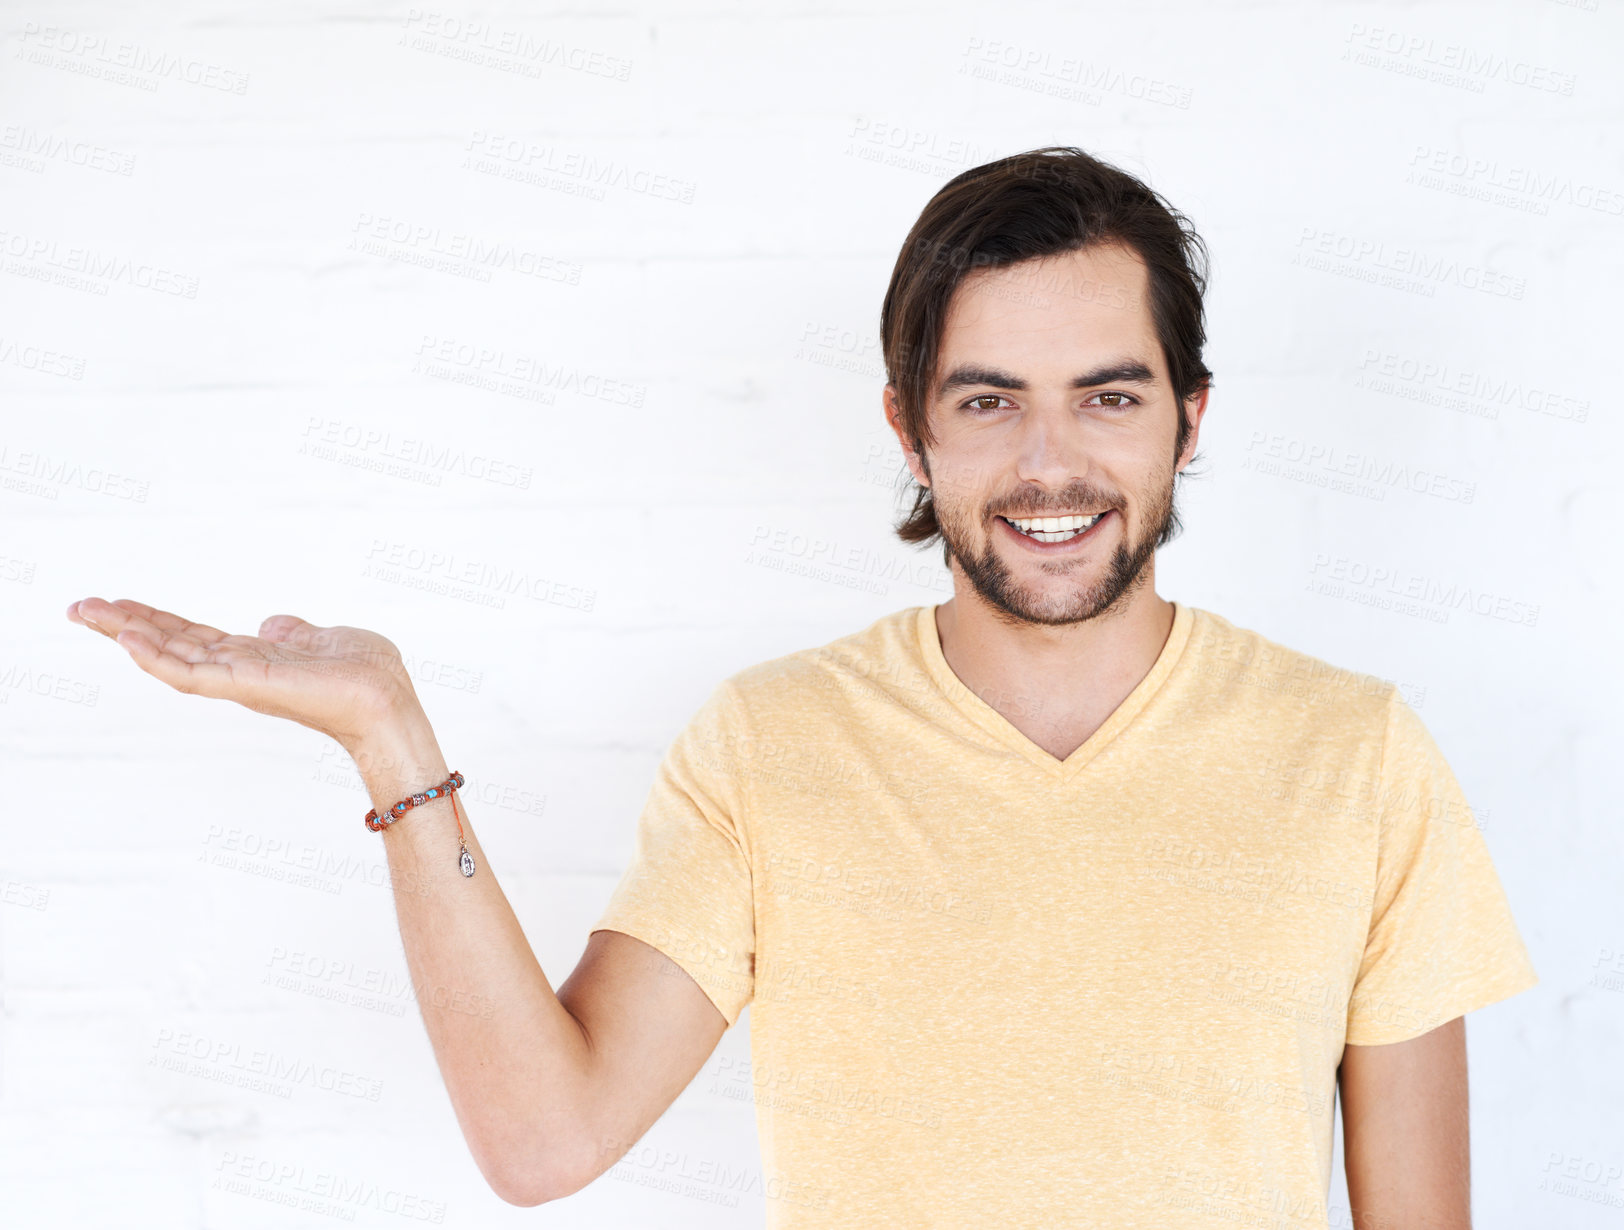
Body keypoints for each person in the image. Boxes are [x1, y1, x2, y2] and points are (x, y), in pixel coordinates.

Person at [67, 145, 1537, 1230]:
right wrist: (390, 733)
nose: (1050, 463)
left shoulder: (1356, 755)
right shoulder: (771, 747)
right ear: (909, 427)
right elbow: (543, 1138)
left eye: (1109, 393)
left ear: (1186, 418)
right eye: (986, 400)